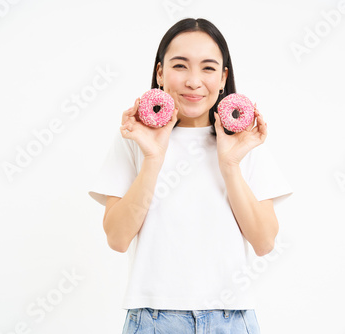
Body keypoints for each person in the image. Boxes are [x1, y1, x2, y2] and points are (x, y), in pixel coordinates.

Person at [88, 17, 293, 333]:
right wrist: (154, 158)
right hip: (153, 320)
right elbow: (116, 238)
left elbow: (264, 242)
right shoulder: (134, 139)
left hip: (231, 319)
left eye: (208, 68)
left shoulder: (245, 143)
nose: (194, 81)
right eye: (180, 66)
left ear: (223, 77)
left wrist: (230, 166)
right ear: (160, 73)